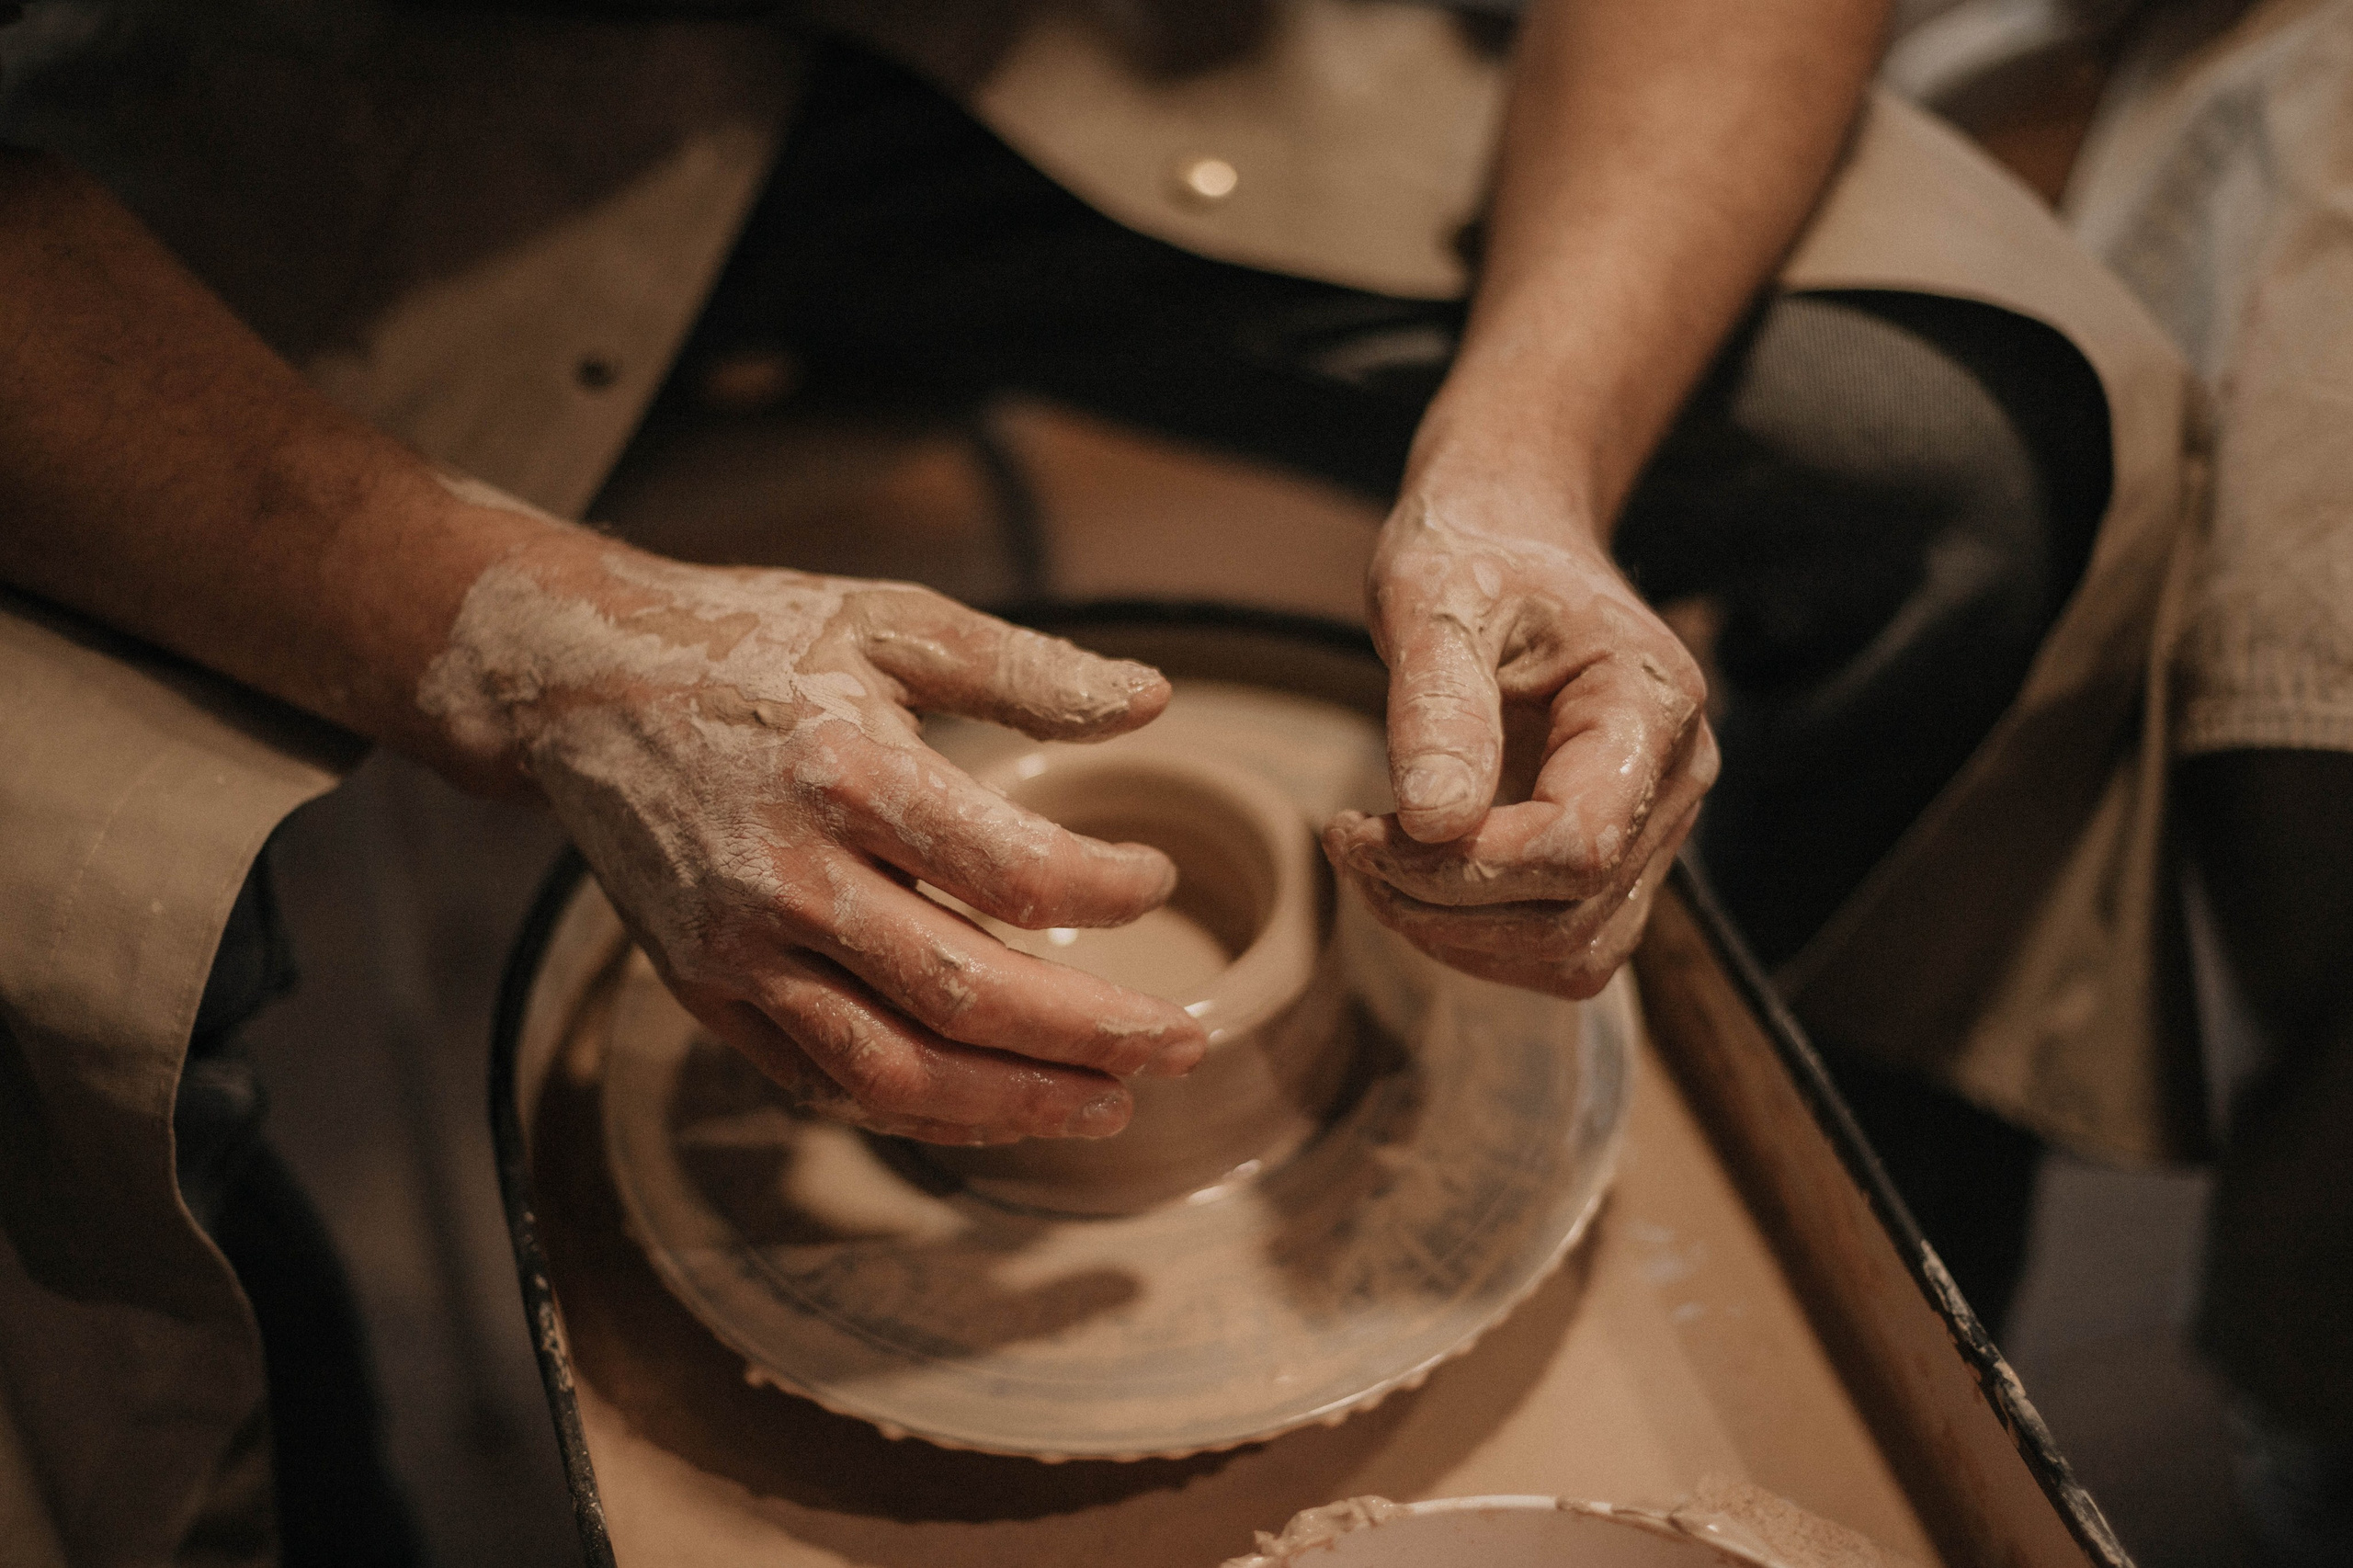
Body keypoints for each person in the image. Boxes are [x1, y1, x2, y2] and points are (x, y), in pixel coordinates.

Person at [0, 1, 2191, 1562]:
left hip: (1013, 47)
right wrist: (509, 634)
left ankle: (1864, 1315)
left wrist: (1531, 457)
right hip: (228, 119)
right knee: (78, 953)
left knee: (1969, 458)